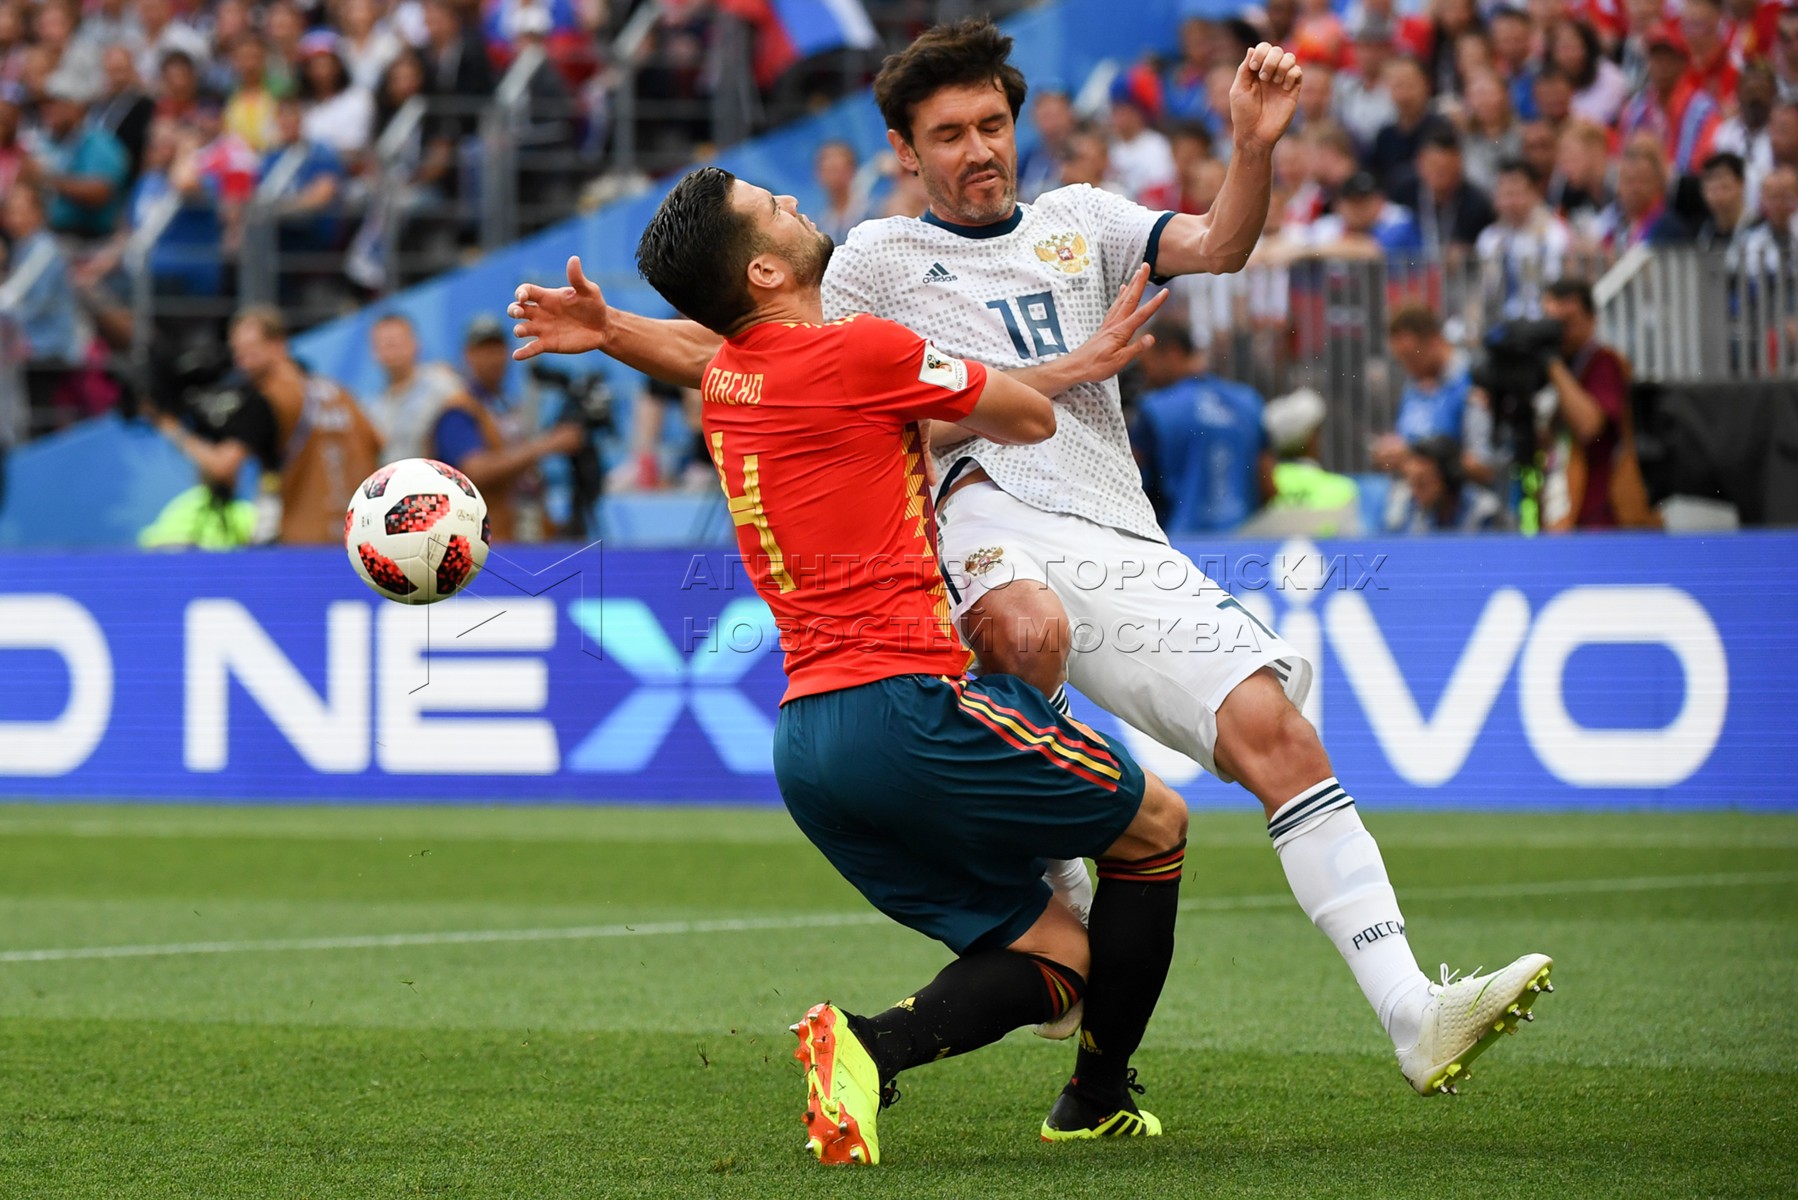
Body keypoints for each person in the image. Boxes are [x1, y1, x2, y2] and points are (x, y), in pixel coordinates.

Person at [511, 17, 1553, 1104]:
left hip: (1108, 524)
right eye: (948, 134)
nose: (979, 149)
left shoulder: (1084, 220)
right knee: (1022, 622)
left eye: (992, 124)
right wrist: (620, 329)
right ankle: (1055, 855)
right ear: (905, 152)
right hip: (977, 504)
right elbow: (748, 354)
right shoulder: (870, 260)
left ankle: (1410, 1010)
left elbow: (1218, 246)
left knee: (1273, 733)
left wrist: (1252, 146)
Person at [634, 164, 1191, 1163]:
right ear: (763, 270)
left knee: (1055, 956)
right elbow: (1027, 418)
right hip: (906, 707)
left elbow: (715, 353)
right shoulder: (864, 351)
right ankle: (1097, 1097)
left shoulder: (728, 385)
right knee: (1156, 827)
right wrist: (983, 371)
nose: (794, 203)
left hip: (810, 749)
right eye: (772, 207)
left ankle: (865, 1046)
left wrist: (604, 328)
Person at [152, 306, 382, 545]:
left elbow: (224, 467)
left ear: (278, 344)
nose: (241, 361)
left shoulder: (267, 399)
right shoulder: (338, 392)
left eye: (250, 350)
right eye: (237, 351)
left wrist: (170, 426)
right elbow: (378, 443)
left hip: (304, 538)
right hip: (357, 534)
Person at [441, 314, 583, 541]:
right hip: (485, 537)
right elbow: (475, 470)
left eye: (498, 349)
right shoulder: (458, 411)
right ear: (468, 355)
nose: (493, 358)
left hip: (523, 530)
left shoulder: (506, 404)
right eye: (484, 350)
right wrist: (547, 444)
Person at [1131, 318, 1272, 534]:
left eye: (1146, 364)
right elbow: (1268, 484)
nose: (1145, 375)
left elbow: (1129, 481)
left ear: (1172, 353)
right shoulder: (1248, 402)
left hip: (1178, 542)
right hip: (1243, 540)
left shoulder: (1156, 409)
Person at [1538, 278, 1645, 531]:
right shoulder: (1552, 369)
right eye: (1551, 323)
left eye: (1567, 322)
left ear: (1591, 319)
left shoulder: (1604, 363)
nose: (1559, 333)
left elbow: (1589, 426)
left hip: (1603, 515)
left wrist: (1552, 365)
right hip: (1563, 510)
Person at [1374, 304, 1498, 485]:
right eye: (1401, 359)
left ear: (1435, 341)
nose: (1407, 367)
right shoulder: (1413, 387)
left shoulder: (1471, 383)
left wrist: (1417, 454)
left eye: (1411, 356)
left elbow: (1484, 467)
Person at [1475, 158, 1573, 318]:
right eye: (1505, 194)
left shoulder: (1554, 233)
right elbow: (1485, 290)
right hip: (1503, 320)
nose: (1510, 202)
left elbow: (1560, 281)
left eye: (1516, 193)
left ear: (1534, 192)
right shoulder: (1489, 239)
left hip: (1545, 318)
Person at [1392, 124, 1496, 252]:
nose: (1441, 177)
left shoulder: (1478, 206)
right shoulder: (1403, 193)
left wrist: (1469, 252)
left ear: (1460, 165)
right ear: (1419, 163)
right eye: (1435, 167)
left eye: (1446, 169)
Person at [1383, 434, 1509, 532]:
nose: (1415, 493)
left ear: (1449, 476)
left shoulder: (1486, 513)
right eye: (1412, 483)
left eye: (1422, 483)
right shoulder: (1410, 510)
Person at [811, 139, 867, 245]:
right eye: (827, 170)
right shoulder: (817, 225)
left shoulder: (875, 211)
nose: (832, 177)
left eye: (835, 169)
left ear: (852, 170)